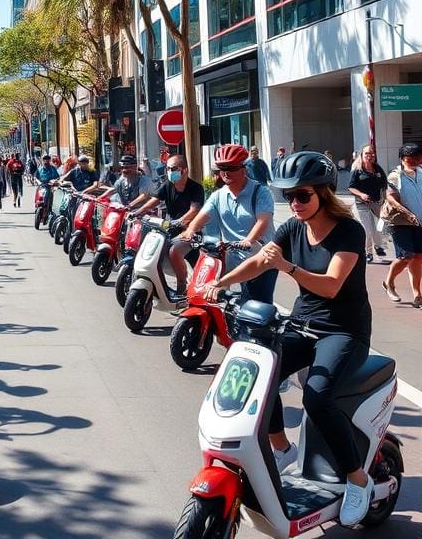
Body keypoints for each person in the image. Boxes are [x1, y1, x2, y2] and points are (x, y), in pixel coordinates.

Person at [205, 152, 375, 527]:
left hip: (343, 330)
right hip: (302, 324)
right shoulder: (293, 226)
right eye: (288, 196)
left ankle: (357, 479)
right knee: (258, 376)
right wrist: (221, 281)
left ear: (323, 193)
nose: (294, 203)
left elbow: (331, 287)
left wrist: (288, 267)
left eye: (302, 195)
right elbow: (261, 260)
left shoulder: (349, 231)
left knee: (316, 397)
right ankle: (282, 449)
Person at [180, 144, 276, 303]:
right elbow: (200, 218)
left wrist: (248, 241)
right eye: (221, 168)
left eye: (231, 168)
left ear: (243, 169)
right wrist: (190, 230)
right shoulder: (218, 195)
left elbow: (263, 221)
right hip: (231, 255)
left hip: (260, 257)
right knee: (210, 292)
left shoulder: (261, 192)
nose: (225, 172)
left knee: (256, 308)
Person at [136, 154, 205, 292]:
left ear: (184, 170)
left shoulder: (196, 188)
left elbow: (194, 210)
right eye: (167, 168)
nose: (169, 172)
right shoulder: (167, 185)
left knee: (175, 251)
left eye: (173, 169)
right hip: (170, 229)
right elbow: (154, 201)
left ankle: (181, 286)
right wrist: (137, 212)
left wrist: (179, 222)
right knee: (150, 247)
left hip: (191, 232)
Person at [383, 143, 422, 306]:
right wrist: (408, 214)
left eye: (416, 158)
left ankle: (417, 294)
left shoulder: (421, 173)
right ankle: (389, 282)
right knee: (406, 256)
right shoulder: (395, 175)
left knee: (418, 257)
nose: (413, 161)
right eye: (409, 158)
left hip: (419, 222)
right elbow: (391, 198)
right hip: (400, 222)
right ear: (402, 159)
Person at [347, 144, 389, 264]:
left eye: (371, 153)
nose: (369, 156)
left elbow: (385, 185)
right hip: (362, 204)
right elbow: (350, 187)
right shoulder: (357, 170)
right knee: (368, 230)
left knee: (380, 227)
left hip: (377, 203)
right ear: (362, 155)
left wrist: (385, 200)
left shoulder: (377, 169)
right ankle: (368, 254)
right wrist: (361, 194)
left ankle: (378, 246)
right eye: (367, 153)